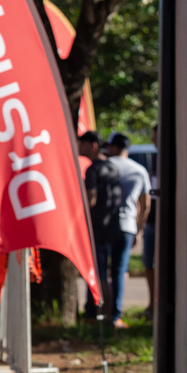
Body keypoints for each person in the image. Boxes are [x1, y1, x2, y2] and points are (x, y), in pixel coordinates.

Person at [104, 132, 151, 328]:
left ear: (114, 147)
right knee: (119, 270)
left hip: (104, 225)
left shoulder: (106, 166)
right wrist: (139, 229)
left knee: (100, 268)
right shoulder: (139, 170)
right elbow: (145, 204)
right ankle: (116, 315)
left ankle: (97, 311)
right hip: (127, 226)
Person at [79, 131, 123, 323]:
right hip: (113, 226)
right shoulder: (112, 167)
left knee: (99, 273)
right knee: (110, 273)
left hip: (97, 228)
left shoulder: (92, 169)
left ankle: (101, 315)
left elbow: (91, 199)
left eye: (83, 144)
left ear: (93, 145)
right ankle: (109, 315)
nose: (80, 148)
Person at [143, 125, 158, 319]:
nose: (154, 139)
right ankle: (152, 304)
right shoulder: (155, 158)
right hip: (153, 220)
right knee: (149, 263)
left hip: (161, 221)